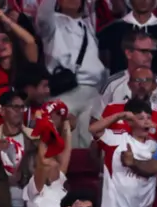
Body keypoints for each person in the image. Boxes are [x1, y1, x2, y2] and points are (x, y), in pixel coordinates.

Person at [37, 0, 107, 147]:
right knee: (66, 144)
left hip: (93, 92)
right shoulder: (51, 22)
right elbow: (43, 15)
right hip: (66, 91)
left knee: (90, 144)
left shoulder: (87, 25)